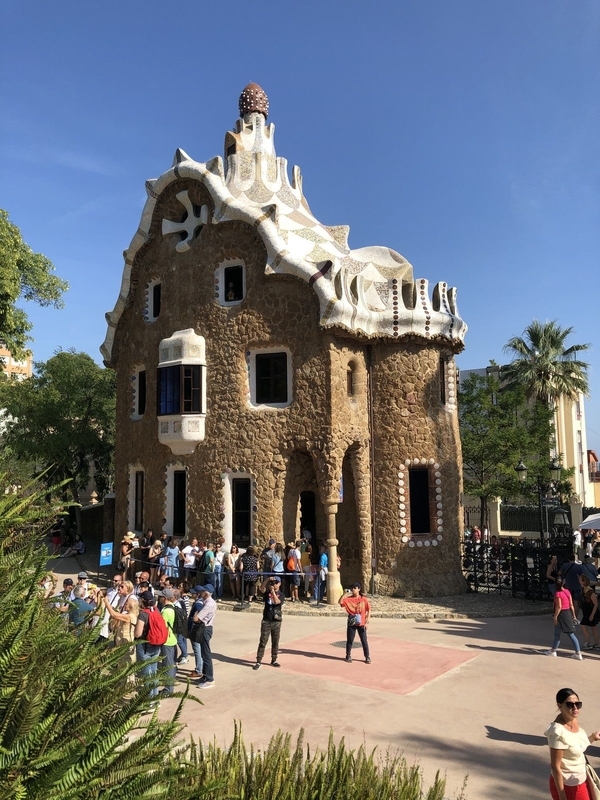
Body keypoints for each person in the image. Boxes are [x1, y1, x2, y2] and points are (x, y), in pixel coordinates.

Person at [545, 687, 600, 799]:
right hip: (568, 785)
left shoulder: (572, 719)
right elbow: (556, 767)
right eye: (570, 705)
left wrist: (593, 737)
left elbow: (576, 745)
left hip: (582, 778)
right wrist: (562, 796)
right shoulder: (558, 733)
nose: (575, 708)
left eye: (578, 704)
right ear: (560, 706)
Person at [134, 590, 167, 704]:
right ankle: (155, 699)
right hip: (156, 645)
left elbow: (138, 633)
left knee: (147, 675)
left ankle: (149, 702)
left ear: (143, 600)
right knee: (154, 672)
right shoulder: (156, 610)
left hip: (145, 646)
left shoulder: (143, 614)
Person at [544, 576, 582, 660]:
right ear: (563, 583)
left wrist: (555, 617)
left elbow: (559, 607)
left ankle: (554, 651)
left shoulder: (558, 594)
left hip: (561, 614)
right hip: (567, 613)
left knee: (558, 634)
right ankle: (577, 652)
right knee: (569, 633)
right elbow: (571, 605)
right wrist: (574, 615)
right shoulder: (567, 591)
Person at [252, 575, 285, 670]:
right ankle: (258, 661)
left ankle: (274, 659)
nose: (274, 584)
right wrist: (267, 580)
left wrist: (273, 592)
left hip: (276, 620)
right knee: (263, 641)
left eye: (276, 583)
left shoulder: (281, 594)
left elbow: (277, 602)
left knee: (275, 641)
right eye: (273, 583)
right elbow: (262, 588)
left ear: (279, 584)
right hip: (266, 620)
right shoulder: (267, 592)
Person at [103, 593, 139, 667]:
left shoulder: (129, 616)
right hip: (123, 641)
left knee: (126, 665)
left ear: (130, 606)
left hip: (127, 641)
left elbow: (114, 614)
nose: (124, 605)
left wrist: (106, 602)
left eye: (126, 604)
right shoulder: (128, 614)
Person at [339, 582, 371, 664]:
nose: (353, 589)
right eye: (352, 588)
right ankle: (348, 655)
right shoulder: (348, 599)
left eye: (354, 588)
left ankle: (367, 656)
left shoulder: (363, 599)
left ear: (359, 589)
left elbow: (369, 609)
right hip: (352, 621)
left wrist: (367, 620)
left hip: (362, 622)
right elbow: (340, 602)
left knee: (364, 640)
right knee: (350, 639)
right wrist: (343, 595)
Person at [192, 585, 217, 689]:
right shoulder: (206, 602)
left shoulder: (209, 604)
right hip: (204, 628)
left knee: (206, 654)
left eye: (202, 591)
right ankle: (205, 676)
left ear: (206, 594)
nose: (200, 593)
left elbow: (196, 618)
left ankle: (210, 679)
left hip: (205, 629)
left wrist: (196, 615)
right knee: (203, 653)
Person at [158, 588, 178, 696]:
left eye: (161, 596)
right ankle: (169, 687)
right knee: (171, 664)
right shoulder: (173, 607)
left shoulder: (166, 611)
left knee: (168, 665)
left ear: (165, 598)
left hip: (167, 641)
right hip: (172, 639)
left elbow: (162, 627)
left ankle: (168, 689)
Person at [578, 575, 600, 651]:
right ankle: (596, 644)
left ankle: (589, 642)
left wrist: (592, 615)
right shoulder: (584, 589)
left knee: (583, 625)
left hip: (591, 611)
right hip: (587, 610)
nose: (579, 581)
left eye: (580, 580)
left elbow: (596, 604)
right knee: (593, 627)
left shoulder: (590, 591)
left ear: (583, 581)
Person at [188, 585, 205, 679]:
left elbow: (198, 615)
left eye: (193, 593)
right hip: (198, 629)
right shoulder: (201, 602)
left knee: (197, 650)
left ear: (198, 594)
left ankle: (199, 670)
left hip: (195, 629)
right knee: (198, 649)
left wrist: (195, 619)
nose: (191, 594)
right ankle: (200, 668)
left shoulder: (198, 604)